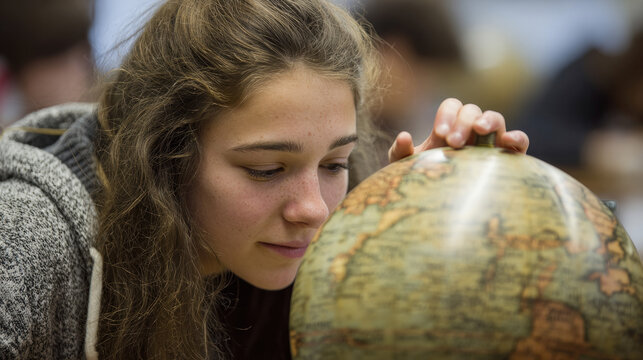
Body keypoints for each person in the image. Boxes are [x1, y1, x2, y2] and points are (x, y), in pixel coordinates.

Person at [0, 0, 529, 359]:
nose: (314, 210)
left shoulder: (335, 230)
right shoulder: (27, 233)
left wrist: (416, 238)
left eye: (334, 165)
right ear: (164, 153)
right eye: (266, 170)